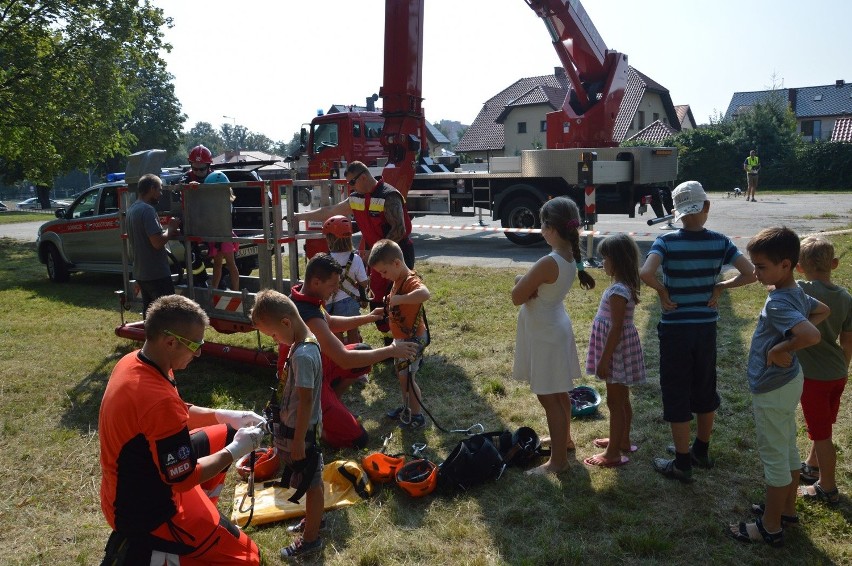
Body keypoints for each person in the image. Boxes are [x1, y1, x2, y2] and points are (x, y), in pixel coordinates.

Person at [99, 294, 266, 564]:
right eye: (195, 345)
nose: (199, 352)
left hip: (132, 485)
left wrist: (226, 416)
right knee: (249, 559)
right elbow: (183, 478)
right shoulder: (157, 399)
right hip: (147, 511)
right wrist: (237, 451)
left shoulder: (137, 361)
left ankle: (200, 523)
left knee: (224, 432)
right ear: (170, 342)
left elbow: (176, 412)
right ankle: (164, 547)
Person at [639, 180, 757, 482]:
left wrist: (663, 294)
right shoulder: (721, 242)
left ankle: (681, 463)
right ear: (706, 207)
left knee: (677, 391)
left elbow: (645, 273)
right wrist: (720, 285)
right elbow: (750, 274)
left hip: (676, 330)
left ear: (677, 212)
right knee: (705, 387)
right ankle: (701, 449)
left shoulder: (665, 243)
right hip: (705, 330)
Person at [728, 227, 829, 547]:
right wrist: (788, 341)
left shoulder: (778, 303)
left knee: (774, 456)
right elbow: (822, 311)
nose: (755, 273)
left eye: (761, 267)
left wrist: (780, 349)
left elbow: (812, 336)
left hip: (772, 387)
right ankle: (786, 510)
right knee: (786, 447)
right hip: (789, 383)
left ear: (785, 265)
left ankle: (769, 526)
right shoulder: (797, 293)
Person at [288, 253, 419, 447]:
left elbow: (330, 322)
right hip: (307, 384)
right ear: (316, 282)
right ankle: (320, 426)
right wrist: (392, 350)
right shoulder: (308, 316)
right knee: (359, 439)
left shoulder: (304, 295)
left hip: (315, 366)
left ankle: (332, 402)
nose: (335, 291)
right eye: (332, 286)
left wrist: (370, 317)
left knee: (363, 350)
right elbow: (345, 359)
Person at [511, 196, 596, 475]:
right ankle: (565, 441)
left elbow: (516, 295)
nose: (541, 230)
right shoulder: (569, 255)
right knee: (559, 393)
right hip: (552, 327)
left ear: (551, 228)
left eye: (542, 225)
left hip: (546, 333)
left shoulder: (550, 261)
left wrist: (522, 283)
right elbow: (527, 289)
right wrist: (526, 284)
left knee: (549, 397)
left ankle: (557, 462)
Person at [294, 161, 414, 343]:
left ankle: (406, 338)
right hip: (377, 255)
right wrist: (299, 217)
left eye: (351, 182)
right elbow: (330, 211)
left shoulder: (389, 196)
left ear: (363, 177)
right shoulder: (356, 198)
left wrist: (375, 251)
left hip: (397, 254)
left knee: (396, 297)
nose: (350, 186)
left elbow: (398, 229)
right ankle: (391, 339)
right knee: (378, 297)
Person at [250, 290, 326, 560]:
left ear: (285, 323)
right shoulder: (299, 344)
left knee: (312, 483)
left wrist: (296, 441)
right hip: (296, 430)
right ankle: (313, 520)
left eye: (273, 335)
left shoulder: (303, 354)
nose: (275, 340)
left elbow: (306, 401)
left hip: (302, 434)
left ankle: (311, 539)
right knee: (305, 480)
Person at [795, 235, 851, 506]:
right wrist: (844, 369)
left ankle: (827, 487)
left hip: (814, 378)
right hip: (838, 373)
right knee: (824, 425)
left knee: (822, 434)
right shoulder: (846, 298)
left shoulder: (800, 290)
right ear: (836, 264)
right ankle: (812, 465)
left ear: (799, 267)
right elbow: (847, 341)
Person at [584, 233, 646, 468]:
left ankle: (612, 454)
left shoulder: (618, 290)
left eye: (605, 259)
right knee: (622, 399)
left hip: (615, 352)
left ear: (617, 261)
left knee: (615, 402)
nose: (603, 264)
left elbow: (616, 327)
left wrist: (604, 359)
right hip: (620, 350)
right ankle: (622, 439)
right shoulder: (623, 286)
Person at [368, 239, 432, 429]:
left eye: (384, 272)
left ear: (396, 263)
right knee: (403, 377)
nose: (383, 276)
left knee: (409, 379)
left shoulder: (410, 280)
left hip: (412, 340)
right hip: (401, 340)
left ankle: (417, 415)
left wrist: (399, 299)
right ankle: (407, 407)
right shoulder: (397, 279)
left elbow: (425, 294)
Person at [126, 173, 179, 318]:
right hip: (156, 273)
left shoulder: (132, 210)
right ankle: (166, 340)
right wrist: (171, 229)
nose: (161, 194)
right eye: (159, 190)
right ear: (151, 188)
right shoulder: (147, 210)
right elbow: (157, 242)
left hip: (141, 272)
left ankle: (150, 338)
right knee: (167, 313)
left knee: (150, 313)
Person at [323, 215, 369, 344]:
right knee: (352, 329)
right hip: (350, 300)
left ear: (330, 239)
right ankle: (355, 355)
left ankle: (339, 358)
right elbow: (364, 283)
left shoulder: (325, 259)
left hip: (329, 302)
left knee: (335, 331)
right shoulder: (355, 258)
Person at [204, 171, 241, 291]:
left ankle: (236, 290)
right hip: (216, 234)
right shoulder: (215, 202)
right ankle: (214, 288)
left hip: (224, 234)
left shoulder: (225, 203)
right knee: (217, 264)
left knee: (230, 263)